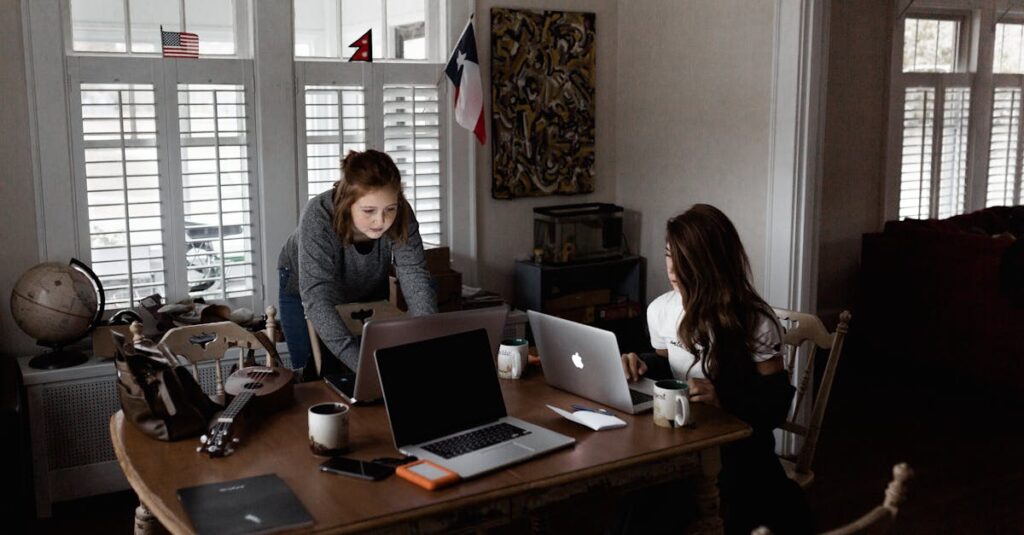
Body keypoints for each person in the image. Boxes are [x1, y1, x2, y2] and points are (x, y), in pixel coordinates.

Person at [621, 204, 812, 534]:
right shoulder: (660, 310)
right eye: (669, 255)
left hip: (739, 448)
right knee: (637, 501)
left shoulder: (755, 321)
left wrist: (723, 397)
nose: (673, 269)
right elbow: (667, 363)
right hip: (682, 439)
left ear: (711, 262)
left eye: (684, 258)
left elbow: (776, 404)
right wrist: (640, 362)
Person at [277, 149, 437, 373]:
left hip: (367, 282)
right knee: (311, 372)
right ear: (347, 203)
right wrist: (364, 368)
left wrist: (426, 342)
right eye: (369, 210)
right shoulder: (318, 216)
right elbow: (318, 298)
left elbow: (414, 274)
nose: (381, 221)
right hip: (306, 287)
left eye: (390, 209)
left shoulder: (401, 213)